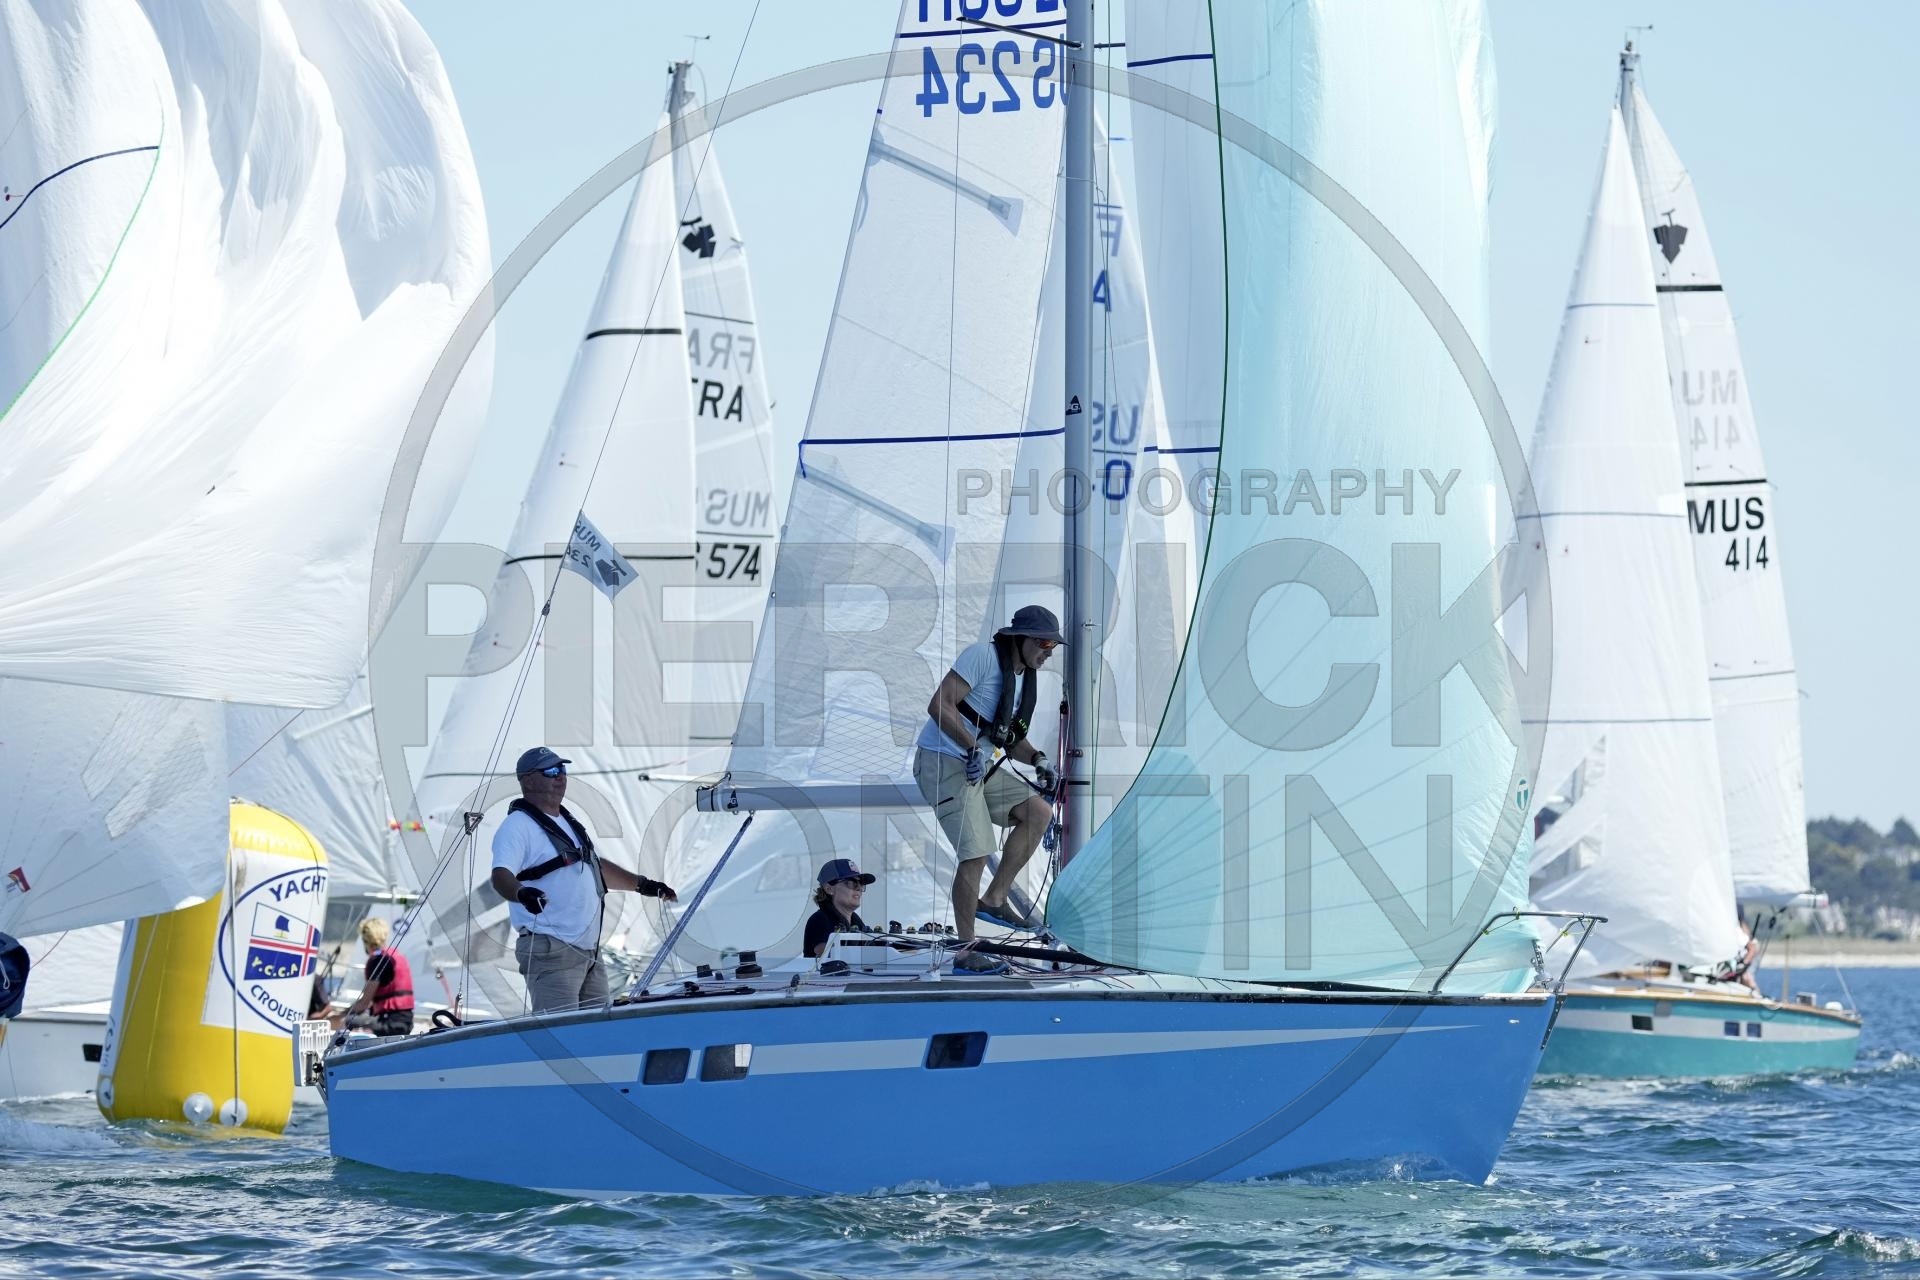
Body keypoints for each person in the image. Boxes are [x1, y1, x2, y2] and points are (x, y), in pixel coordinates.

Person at [913, 604, 1063, 972]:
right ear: (1021, 638)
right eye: (1044, 643)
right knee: (976, 852)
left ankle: (995, 898)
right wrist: (970, 748)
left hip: (976, 765)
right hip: (942, 761)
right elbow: (939, 704)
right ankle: (965, 952)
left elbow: (1008, 738)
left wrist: (1039, 758)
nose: (1048, 652)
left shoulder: (1022, 678)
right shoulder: (981, 656)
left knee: (1039, 812)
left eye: (1053, 646)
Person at [488, 746, 678, 1014]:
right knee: (560, 1031)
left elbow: (594, 866)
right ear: (528, 780)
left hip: (588, 951)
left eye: (562, 769)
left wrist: (643, 885)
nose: (560, 776)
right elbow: (501, 875)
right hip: (552, 949)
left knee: (594, 1032)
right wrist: (521, 894)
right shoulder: (517, 826)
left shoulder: (566, 821)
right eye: (550, 771)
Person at [339, 917, 414, 1037]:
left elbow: (364, 1003)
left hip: (390, 1023)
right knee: (358, 1018)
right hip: (406, 1020)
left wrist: (341, 1014)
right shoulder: (395, 955)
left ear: (366, 940)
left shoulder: (377, 960)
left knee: (343, 1021)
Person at [805, 858, 874, 958]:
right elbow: (826, 954)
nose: (858, 888)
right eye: (851, 883)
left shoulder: (857, 923)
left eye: (860, 884)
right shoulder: (820, 919)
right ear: (829, 889)